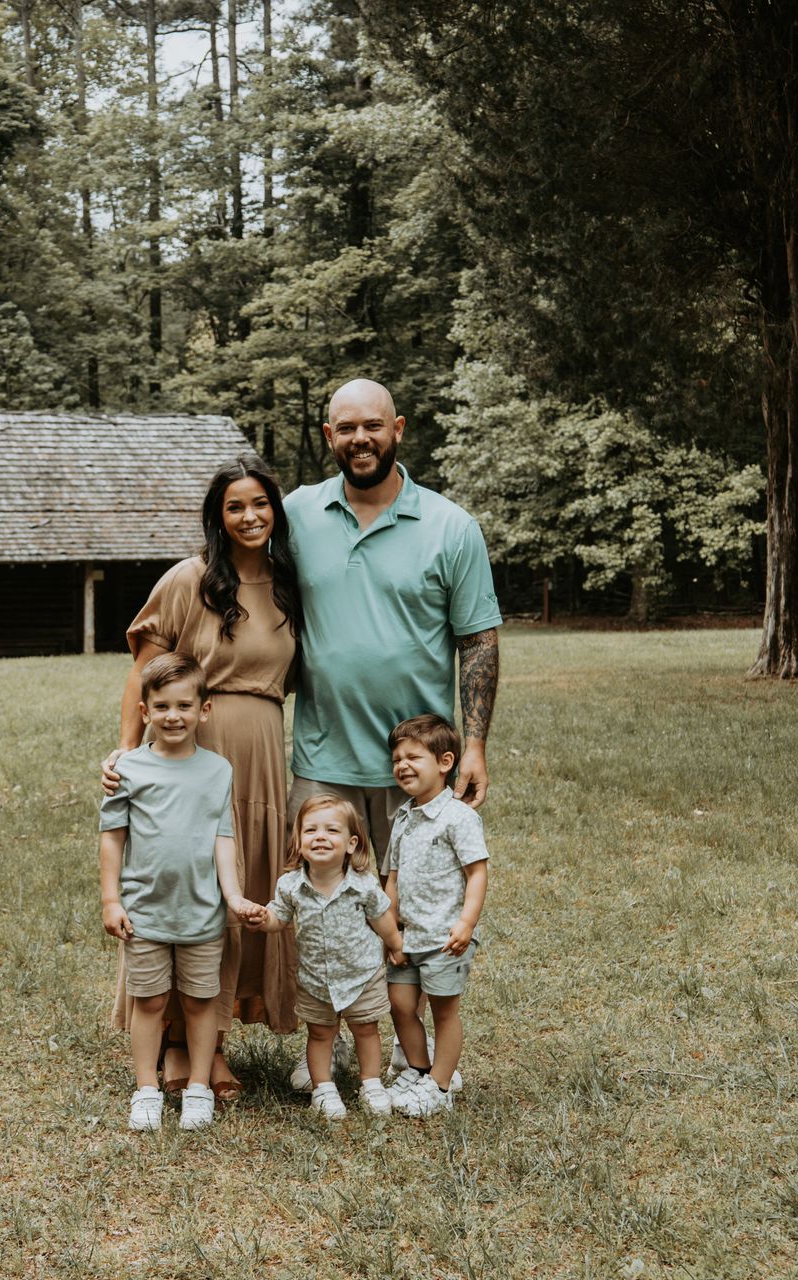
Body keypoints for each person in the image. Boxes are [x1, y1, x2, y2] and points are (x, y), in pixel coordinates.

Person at [280, 377, 502, 1090]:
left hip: (416, 768)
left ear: (398, 428)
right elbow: (245, 586)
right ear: (328, 436)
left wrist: (472, 744)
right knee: (326, 908)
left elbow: (480, 639)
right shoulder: (296, 516)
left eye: (373, 426)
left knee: (412, 911)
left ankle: (424, 1058)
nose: (360, 440)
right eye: (346, 428)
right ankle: (332, 1042)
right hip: (323, 753)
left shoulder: (448, 525)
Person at [104, 455, 302, 1096]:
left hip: (263, 754)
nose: (250, 517)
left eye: (261, 504)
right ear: (218, 517)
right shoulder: (190, 579)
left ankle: (210, 1039)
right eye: (235, 506)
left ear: (277, 511)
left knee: (236, 894)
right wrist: (126, 753)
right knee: (190, 895)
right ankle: (182, 1048)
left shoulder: (286, 583)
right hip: (192, 755)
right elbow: (144, 671)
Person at [99, 653, 254, 1131]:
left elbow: (222, 836)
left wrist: (232, 896)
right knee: (148, 1001)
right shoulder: (129, 769)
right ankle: (146, 1087)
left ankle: (199, 1086)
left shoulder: (218, 770)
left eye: (184, 705)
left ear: (203, 710)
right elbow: (113, 836)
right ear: (145, 711)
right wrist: (111, 899)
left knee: (199, 1001)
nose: (173, 715)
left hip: (202, 913)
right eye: (162, 706)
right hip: (145, 910)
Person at [240, 793, 408, 1120]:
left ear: (351, 844)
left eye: (332, 830)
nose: (320, 837)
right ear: (299, 841)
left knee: (366, 1029)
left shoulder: (362, 884)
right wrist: (264, 921)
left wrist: (396, 944)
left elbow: (382, 918)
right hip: (316, 979)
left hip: (362, 976)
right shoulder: (290, 886)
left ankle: (371, 1083)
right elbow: (280, 918)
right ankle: (324, 1088)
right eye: (311, 830)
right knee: (319, 1034)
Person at [380, 713, 489, 1117]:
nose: (402, 766)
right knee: (400, 1004)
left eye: (413, 757)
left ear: (445, 763)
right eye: (396, 759)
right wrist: (391, 931)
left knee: (444, 1011)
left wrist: (466, 923)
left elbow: (476, 873)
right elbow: (391, 877)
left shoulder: (459, 817)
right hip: (407, 937)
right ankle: (419, 1068)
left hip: (446, 937)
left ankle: (440, 1086)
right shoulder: (403, 817)